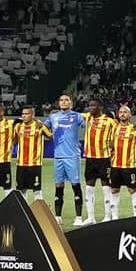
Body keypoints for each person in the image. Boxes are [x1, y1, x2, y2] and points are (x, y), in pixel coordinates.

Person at [45, 94, 86, 225]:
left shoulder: (76, 116)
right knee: (58, 186)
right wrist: (50, 136)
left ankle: (78, 217)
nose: (63, 102)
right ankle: (58, 216)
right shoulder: (53, 117)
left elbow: (88, 126)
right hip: (58, 156)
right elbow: (44, 128)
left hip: (72, 156)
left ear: (71, 103)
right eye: (61, 100)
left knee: (75, 185)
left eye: (66, 100)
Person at [82, 98, 117, 223]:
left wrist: (113, 143)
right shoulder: (87, 118)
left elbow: (120, 131)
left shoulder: (109, 121)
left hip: (104, 159)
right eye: (89, 106)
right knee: (89, 187)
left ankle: (107, 216)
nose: (91, 108)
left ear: (100, 107)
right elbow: (71, 115)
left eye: (93, 106)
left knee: (106, 187)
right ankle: (91, 217)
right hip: (90, 158)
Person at [107, 104, 136, 220]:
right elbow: (110, 144)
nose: (122, 114)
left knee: (132, 189)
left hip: (129, 166)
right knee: (114, 189)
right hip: (115, 165)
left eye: (125, 112)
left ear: (130, 115)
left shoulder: (134, 129)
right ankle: (115, 217)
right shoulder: (114, 128)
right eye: (120, 112)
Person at [14, 105, 51, 204]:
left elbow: (51, 136)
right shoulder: (18, 126)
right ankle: (25, 213)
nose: (24, 116)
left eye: (27, 114)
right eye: (23, 114)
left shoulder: (39, 126)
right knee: (21, 190)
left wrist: (43, 125)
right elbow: (14, 141)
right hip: (21, 163)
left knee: (37, 190)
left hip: (35, 164)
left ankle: (40, 214)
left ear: (32, 115)